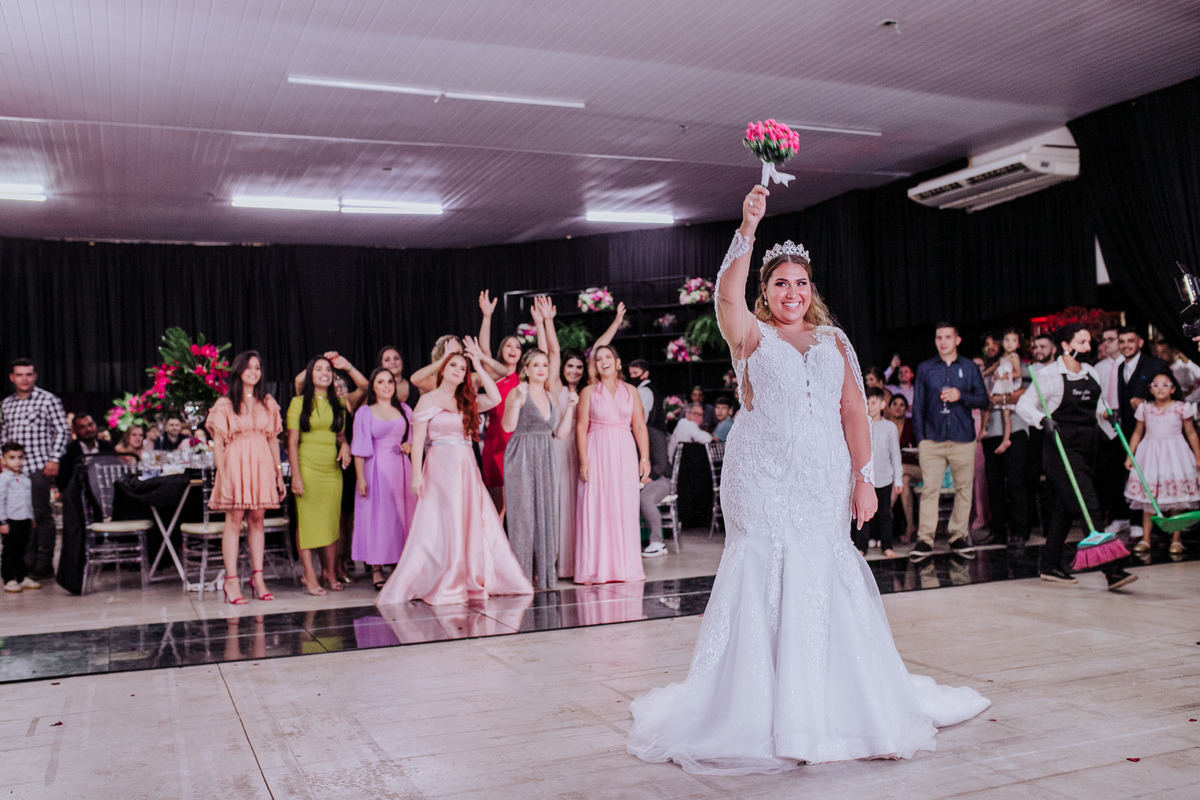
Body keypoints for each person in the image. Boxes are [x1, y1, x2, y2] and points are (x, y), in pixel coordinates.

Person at [628, 185, 989, 774]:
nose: (792, 293)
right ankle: (761, 710)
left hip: (822, 475)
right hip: (761, 474)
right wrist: (748, 227)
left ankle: (839, 706)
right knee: (763, 567)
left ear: (811, 290)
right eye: (780, 284)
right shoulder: (750, 334)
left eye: (801, 283)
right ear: (766, 291)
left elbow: (854, 412)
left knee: (823, 569)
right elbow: (725, 293)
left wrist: (864, 478)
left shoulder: (833, 340)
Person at [375, 338, 533, 606]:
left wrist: (478, 365)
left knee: (469, 517)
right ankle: (444, 575)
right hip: (439, 465)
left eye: (462, 368)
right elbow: (418, 442)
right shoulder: (427, 399)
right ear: (443, 369)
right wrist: (417, 475)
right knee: (441, 519)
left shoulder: (467, 400)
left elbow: (496, 398)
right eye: (453, 366)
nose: (458, 371)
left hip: (466, 465)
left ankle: (469, 573)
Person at [1014, 323, 1137, 589]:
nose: (1088, 347)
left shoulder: (1090, 371)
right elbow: (1023, 405)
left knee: (1066, 507)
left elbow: (1099, 403)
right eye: (1082, 342)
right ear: (1066, 346)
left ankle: (1049, 565)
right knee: (1088, 503)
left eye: (1088, 342)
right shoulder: (1048, 375)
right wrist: (1041, 420)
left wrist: (1107, 413)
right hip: (1061, 449)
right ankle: (1112, 571)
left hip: (1088, 446)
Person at [503, 297, 578, 588]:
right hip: (521, 454)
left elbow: (559, 433)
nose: (543, 368)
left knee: (547, 513)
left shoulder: (550, 395)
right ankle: (520, 578)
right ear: (526, 368)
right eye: (536, 364)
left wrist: (570, 407)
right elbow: (508, 426)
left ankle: (545, 576)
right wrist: (516, 402)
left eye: (545, 365)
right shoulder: (519, 391)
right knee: (523, 516)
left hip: (546, 454)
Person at [206, 351, 287, 605]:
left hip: (262, 462)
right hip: (235, 461)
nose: (253, 372)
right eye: (249, 367)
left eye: (257, 367)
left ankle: (258, 578)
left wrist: (279, 474)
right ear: (239, 370)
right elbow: (218, 444)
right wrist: (222, 476)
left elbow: (273, 441)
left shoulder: (268, 402)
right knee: (234, 519)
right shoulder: (225, 403)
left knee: (257, 519)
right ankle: (231, 581)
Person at [911, 323, 989, 557]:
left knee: (964, 489)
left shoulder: (969, 367)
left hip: (962, 437)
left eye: (947, 337)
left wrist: (960, 395)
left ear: (957, 340)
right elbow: (918, 405)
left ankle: (958, 536)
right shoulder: (925, 368)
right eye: (939, 337)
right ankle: (925, 540)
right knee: (930, 490)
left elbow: (983, 400)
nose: (943, 341)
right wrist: (921, 438)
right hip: (932, 439)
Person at [575, 344, 651, 585]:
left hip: (624, 451)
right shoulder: (588, 392)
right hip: (596, 450)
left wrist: (645, 457)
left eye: (608, 357)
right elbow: (581, 427)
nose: (604, 361)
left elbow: (639, 426)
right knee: (596, 504)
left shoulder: (631, 391)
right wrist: (583, 459)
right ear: (595, 365)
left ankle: (625, 568)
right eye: (599, 359)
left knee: (624, 506)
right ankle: (593, 569)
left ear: (617, 363)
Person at [288, 355, 352, 596]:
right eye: (318, 369)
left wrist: (344, 445)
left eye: (328, 369)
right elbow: (292, 441)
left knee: (330, 521)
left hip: (331, 470)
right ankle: (309, 574)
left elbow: (340, 434)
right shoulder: (298, 403)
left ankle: (330, 572)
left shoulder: (338, 403)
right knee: (307, 522)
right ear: (310, 375)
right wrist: (296, 475)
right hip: (307, 466)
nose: (324, 373)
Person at [0, 359, 70, 579]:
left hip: (39, 467)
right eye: (19, 375)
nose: (24, 379)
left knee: (40, 514)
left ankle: (44, 562)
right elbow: (4, 433)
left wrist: (54, 459)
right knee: (20, 517)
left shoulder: (48, 400)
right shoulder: (7, 403)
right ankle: (25, 562)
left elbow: (62, 431)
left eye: (28, 374)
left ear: (35, 376)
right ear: (12, 377)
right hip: (14, 470)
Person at [352, 367, 417, 590]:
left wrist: (409, 446)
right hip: (376, 469)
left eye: (389, 381)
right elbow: (359, 448)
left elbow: (414, 438)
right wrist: (361, 478)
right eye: (380, 382)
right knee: (378, 518)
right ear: (373, 387)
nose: (386, 386)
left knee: (402, 516)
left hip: (401, 468)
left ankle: (401, 564)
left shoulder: (405, 409)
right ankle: (377, 569)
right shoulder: (365, 413)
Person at [1123, 372, 1200, 555]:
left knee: (1175, 498)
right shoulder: (1145, 408)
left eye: (1165, 385)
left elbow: (1190, 432)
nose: (1160, 388)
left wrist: (1198, 456)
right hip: (1150, 455)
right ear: (1150, 389)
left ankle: (1176, 539)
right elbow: (1137, 432)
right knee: (1149, 499)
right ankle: (1146, 538)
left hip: (1175, 455)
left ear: (1173, 389)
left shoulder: (1181, 408)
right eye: (1156, 385)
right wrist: (1130, 455)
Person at [477, 290, 526, 519]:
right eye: (508, 346)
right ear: (501, 351)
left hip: (518, 440)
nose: (513, 350)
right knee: (498, 506)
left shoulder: (524, 379)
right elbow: (484, 350)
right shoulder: (495, 376)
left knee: (519, 503)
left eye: (517, 347)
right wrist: (487, 316)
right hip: (495, 439)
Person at [982, 355, 1030, 548]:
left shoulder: (1023, 368)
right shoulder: (987, 372)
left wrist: (999, 399)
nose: (991, 347)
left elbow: (1024, 393)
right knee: (994, 484)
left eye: (994, 343)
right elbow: (983, 399)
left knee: (1015, 481)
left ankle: (1020, 531)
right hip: (991, 432)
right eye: (987, 344)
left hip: (1016, 429)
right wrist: (999, 399)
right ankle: (998, 532)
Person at [855, 387, 901, 558]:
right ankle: (861, 546)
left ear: (882, 404)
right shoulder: (859, 425)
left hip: (884, 478)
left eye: (873, 403)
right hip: (865, 478)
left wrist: (898, 479)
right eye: (867, 403)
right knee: (862, 513)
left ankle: (887, 546)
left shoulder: (890, 427)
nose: (870, 406)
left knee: (884, 514)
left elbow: (895, 454)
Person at [555, 348, 587, 579]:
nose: (574, 371)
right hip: (561, 447)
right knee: (562, 502)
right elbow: (552, 351)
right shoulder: (557, 388)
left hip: (583, 447)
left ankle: (581, 562)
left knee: (582, 502)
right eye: (570, 366)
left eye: (579, 366)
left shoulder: (587, 390)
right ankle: (562, 563)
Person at [0, 442, 40, 592]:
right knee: (10, 551)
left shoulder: (25, 479)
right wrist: (2, 521)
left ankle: (22, 577)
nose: (17, 461)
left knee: (22, 550)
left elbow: (28, 500)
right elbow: (0, 500)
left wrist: (32, 518)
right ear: (3, 460)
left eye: (20, 457)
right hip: (11, 520)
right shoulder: (3, 479)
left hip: (25, 519)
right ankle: (9, 579)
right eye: (12, 458)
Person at [981, 329, 1024, 455]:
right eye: (1007, 340)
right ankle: (983, 429)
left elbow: (1018, 373)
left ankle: (1006, 439)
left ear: (1018, 344)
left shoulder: (1014, 358)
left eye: (1013, 341)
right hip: (999, 386)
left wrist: (1004, 376)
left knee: (1005, 414)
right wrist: (984, 373)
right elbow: (994, 367)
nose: (1009, 344)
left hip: (1007, 387)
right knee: (989, 406)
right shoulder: (1003, 357)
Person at [55, 415, 117, 491]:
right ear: (75, 430)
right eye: (82, 427)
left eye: (90, 425)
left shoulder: (107, 447)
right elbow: (63, 481)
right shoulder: (68, 451)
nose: (88, 429)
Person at [639, 425, 673, 558]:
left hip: (660, 479)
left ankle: (657, 542)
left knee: (646, 499)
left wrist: (642, 483)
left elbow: (661, 465)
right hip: (639, 480)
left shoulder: (655, 435)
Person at [628, 359, 668, 432]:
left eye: (635, 373)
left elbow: (641, 418)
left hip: (651, 434)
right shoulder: (650, 389)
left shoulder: (643, 391)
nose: (632, 376)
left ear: (645, 374)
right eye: (630, 373)